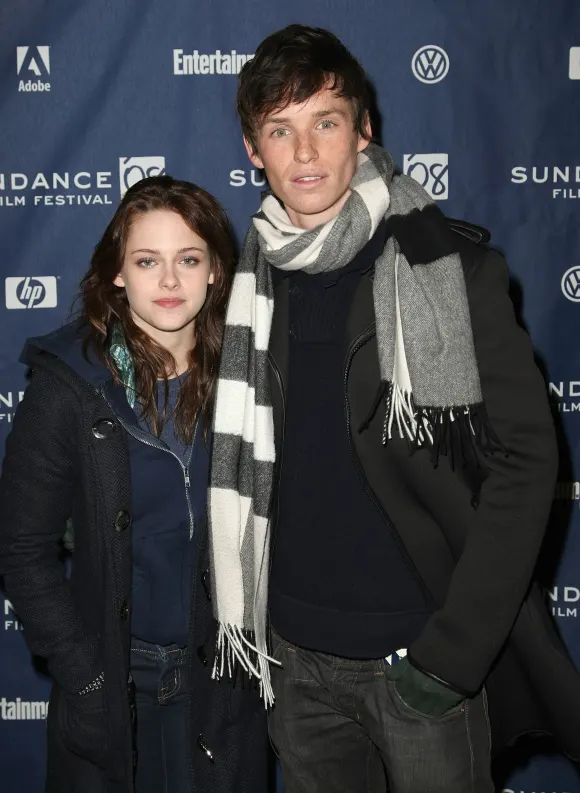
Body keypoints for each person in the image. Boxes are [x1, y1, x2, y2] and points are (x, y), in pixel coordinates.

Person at [206, 24, 580, 793]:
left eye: (326, 122)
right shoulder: (248, 285)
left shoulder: (450, 269)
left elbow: (529, 460)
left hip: (419, 666)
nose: (305, 152)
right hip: (295, 666)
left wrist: (451, 655)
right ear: (254, 150)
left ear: (363, 130)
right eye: (281, 129)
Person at [0, 176, 269, 793]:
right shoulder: (68, 385)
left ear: (216, 273)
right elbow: (21, 546)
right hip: (117, 681)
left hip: (227, 682)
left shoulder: (252, 380)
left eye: (188, 259)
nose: (169, 282)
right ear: (117, 273)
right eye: (147, 261)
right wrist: (87, 675)